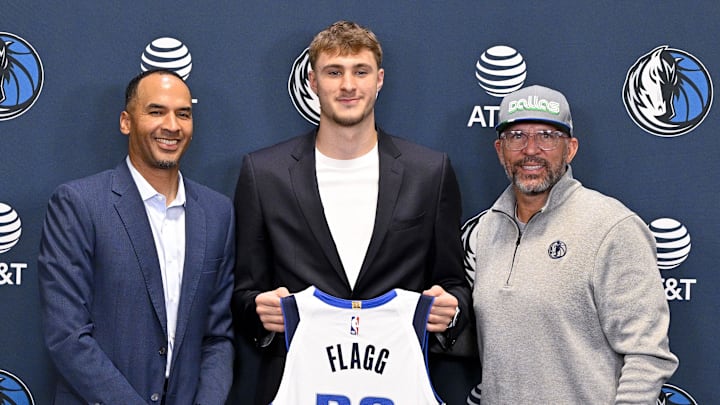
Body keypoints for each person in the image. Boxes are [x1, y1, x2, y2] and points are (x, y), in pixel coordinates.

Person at [232, 20, 472, 404]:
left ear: (379, 79)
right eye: (334, 72)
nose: (348, 85)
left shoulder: (430, 172)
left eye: (360, 71)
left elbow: (453, 283)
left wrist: (450, 311)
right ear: (312, 81)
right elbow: (244, 291)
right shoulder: (264, 173)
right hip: (298, 385)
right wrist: (259, 312)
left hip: (397, 386)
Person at [465, 85, 678, 404]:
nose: (531, 150)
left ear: (571, 148)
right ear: (500, 150)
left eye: (547, 136)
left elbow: (647, 356)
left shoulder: (613, 227)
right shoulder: (485, 230)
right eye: (517, 136)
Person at [38, 69, 235, 404]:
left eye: (183, 114)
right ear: (126, 122)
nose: (172, 126)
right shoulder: (79, 204)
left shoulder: (218, 213)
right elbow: (67, 335)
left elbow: (218, 337)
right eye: (156, 111)